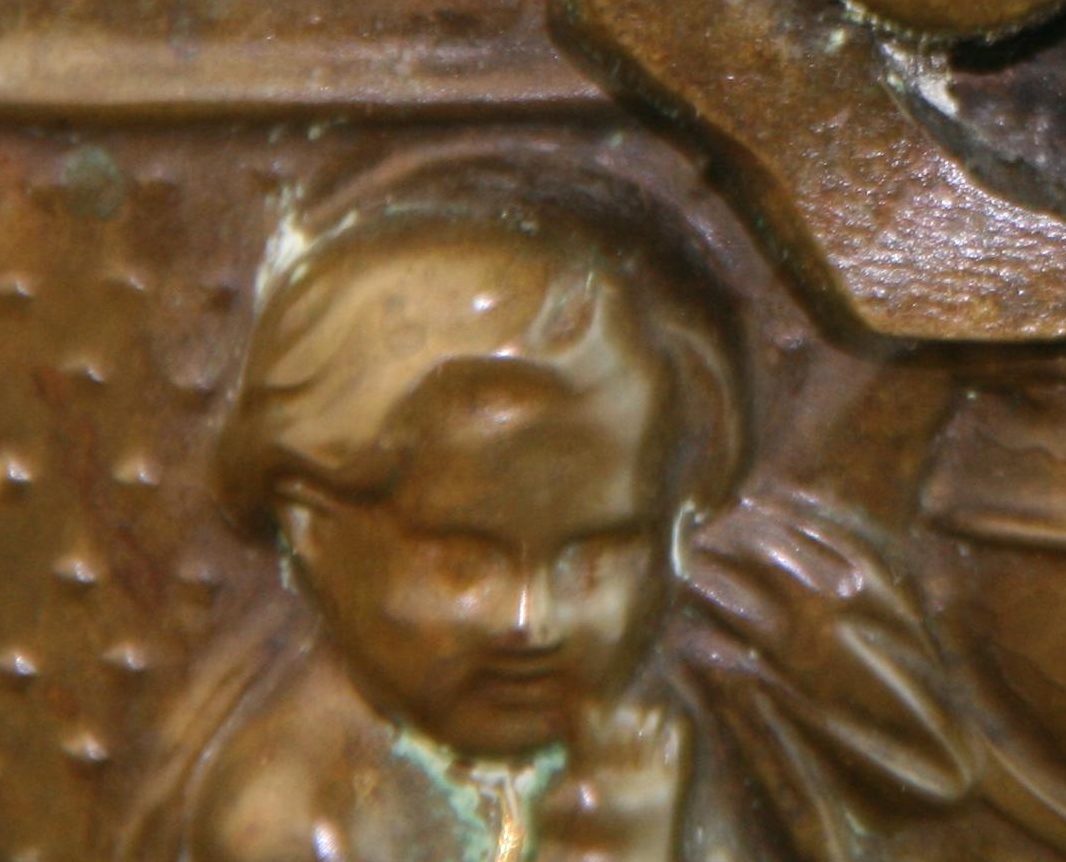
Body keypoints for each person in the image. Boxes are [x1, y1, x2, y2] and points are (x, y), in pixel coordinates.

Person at [155, 172, 755, 862]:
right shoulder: (292, 823)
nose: (534, 620)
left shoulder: (645, 752)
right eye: (466, 562)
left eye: (591, 558)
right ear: (312, 531)